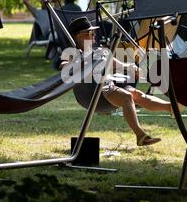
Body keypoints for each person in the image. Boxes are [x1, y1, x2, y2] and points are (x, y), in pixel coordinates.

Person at [62, 16, 175, 146]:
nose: (94, 35)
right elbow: (64, 65)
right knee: (126, 96)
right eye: (90, 33)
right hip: (91, 95)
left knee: (135, 94)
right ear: (80, 37)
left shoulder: (100, 52)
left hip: (107, 89)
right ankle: (140, 135)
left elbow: (119, 64)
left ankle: (172, 108)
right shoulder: (74, 55)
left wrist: (131, 67)